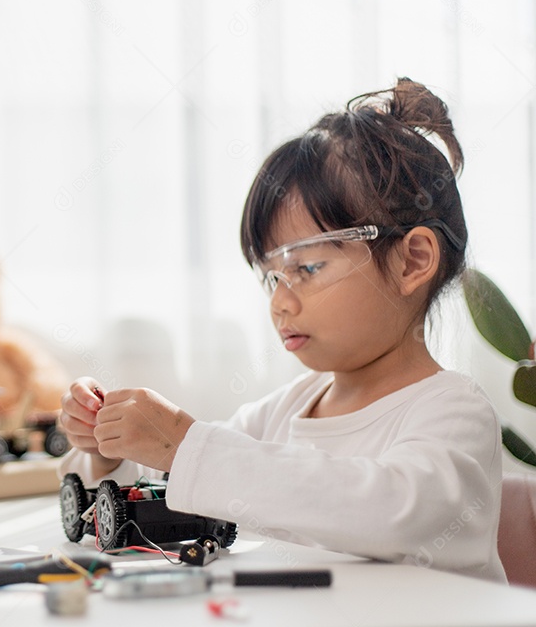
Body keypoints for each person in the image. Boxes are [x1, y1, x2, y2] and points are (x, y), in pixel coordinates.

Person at [59, 78, 506, 582]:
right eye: (271, 275)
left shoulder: (454, 413)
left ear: (412, 261)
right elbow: (181, 486)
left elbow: (393, 511)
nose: (279, 300)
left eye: (307, 269)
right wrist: (109, 454)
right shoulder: (287, 408)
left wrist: (183, 443)